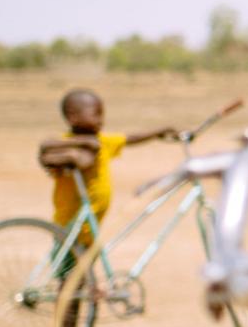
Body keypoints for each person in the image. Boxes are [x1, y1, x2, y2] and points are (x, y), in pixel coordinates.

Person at [37, 88, 174, 245]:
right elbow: (47, 148)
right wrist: (80, 146)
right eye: (96, 114)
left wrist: (159, 132)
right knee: (67, 267)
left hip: (90, 226)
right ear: (72, 117)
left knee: (85, 266)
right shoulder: (65, 144)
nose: (101, 120)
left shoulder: (102, 141)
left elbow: (129, 138)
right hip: (71, 223)